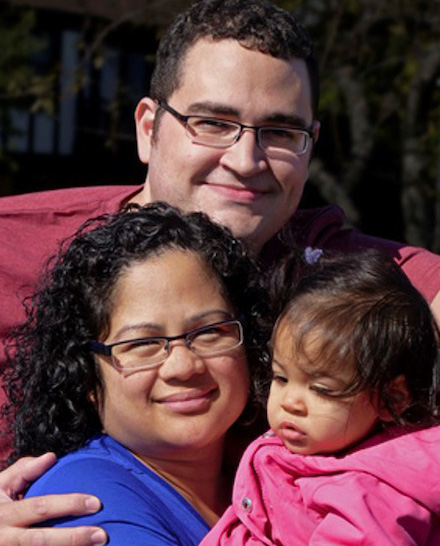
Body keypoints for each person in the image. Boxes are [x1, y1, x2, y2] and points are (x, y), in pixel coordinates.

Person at [0, 0, 439, 543]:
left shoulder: (333, 275)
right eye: (212, 122)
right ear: (147, 128)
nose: (246, 158)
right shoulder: (10, 242)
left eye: (280, 132)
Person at [3, 202, 270, 545]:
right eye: (143, 343)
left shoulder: (263, 474)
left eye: (209, 332)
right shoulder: (87, 503)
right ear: (87, 377)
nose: (184, 366)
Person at [201, 249, 440, 545]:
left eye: (321, 390)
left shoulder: (371, 494)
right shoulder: (314, 448)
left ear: (392, 398)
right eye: (281, 377)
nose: (290, 402)